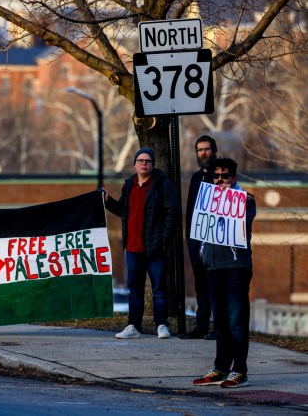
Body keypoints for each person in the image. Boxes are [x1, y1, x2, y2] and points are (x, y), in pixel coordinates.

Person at [193, 158, 257, 388]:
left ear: (234, 178)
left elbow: (244, 225)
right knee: (219, 322)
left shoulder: (245, 201)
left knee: (236, 322)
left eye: (225, 175)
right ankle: (221, 368)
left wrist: (233, 199)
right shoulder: (207, 199)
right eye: (216, 176)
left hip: (236, 269)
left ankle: (240, 371)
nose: (220, 180)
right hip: (213, 268)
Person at [104, 148, 180, 339]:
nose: (144, 164)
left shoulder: (162, 184)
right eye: (140, 160)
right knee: (134, 291)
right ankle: (133, 326)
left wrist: (163, 242)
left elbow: (174, 212)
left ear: (152, 164)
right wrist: (107, 201)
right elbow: (123, 210)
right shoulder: (129, 184)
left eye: (147, 161)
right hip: (132, 248)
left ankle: (161, 325)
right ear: (135, 164)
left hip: (155, 249)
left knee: (159, 290)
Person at [181, 135, 217, 340]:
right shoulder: (196, 177)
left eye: (207, 149)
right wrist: (189, 238)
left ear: (214, 150)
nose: (203, 153)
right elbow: (190, 209)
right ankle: (201, 326)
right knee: (201, 284)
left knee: (215, 284)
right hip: (196, 239)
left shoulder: (220, 175)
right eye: (200, 149)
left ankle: (219, 327)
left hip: (215, 239)